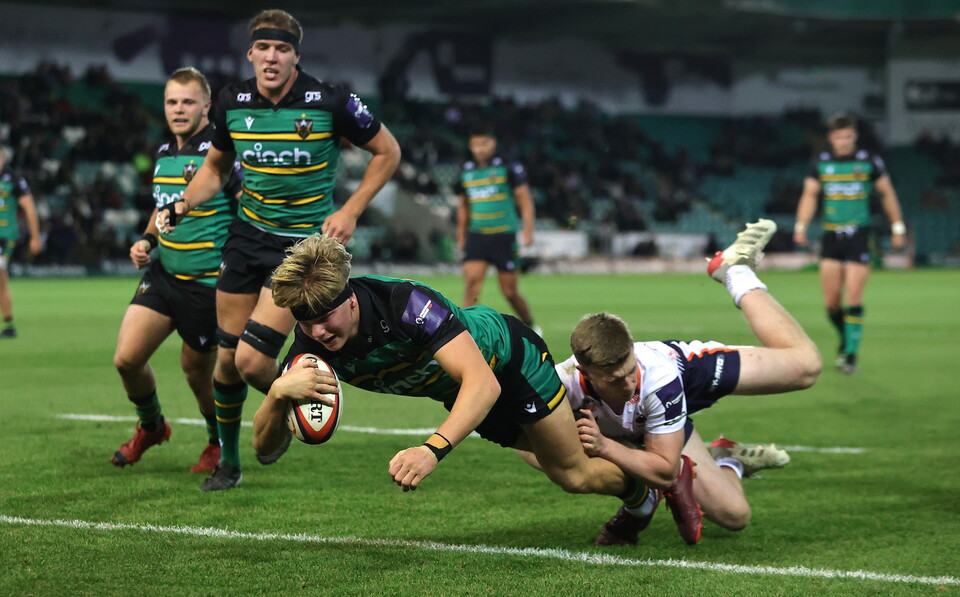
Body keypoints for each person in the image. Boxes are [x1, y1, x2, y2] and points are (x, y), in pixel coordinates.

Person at [156, 9, 401, 491]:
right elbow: (215, 169)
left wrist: (350, 210)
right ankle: (230, 463)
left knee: (250, 362)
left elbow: (388, 151)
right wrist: (183, 202)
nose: (272, 57)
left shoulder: (330, 100)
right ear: (251, 53)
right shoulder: (232, 101)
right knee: (227, 361)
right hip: (246, 240)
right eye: (264, 48)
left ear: (296, 57)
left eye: (282, 49)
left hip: (300, 250)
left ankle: (300, 399)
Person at [252, 234, 658, 524]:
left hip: (510, 361)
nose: (318, 331)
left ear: (351, 300)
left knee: (571, 474)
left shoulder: (405, 306)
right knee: (545, 455)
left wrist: (431, 450)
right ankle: (635, 452)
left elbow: (483, 383)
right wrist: (276, 393)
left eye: (326, 318)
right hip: (462, 391)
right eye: (306, 322)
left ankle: (644, 492)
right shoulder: (310, 348)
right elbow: (265, 449)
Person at [546, 220, 822, 546]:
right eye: (615, 380)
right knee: (735, 515)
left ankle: (734, 271)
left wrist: (605, 447)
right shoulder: (560, 385)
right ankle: (728, 459)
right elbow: (525, 437)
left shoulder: (656, 377)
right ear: (586, 373)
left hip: (686, 375)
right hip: (641, 423)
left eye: (631, 370)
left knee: (806, 368)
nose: (629, 384)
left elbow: (664, 471)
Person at [111, 67, 241, 474]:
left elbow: (247, 206)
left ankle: (217, 442)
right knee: (127, 359)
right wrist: (147, 240)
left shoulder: (222, 152)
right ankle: (152, 426)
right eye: (171, 101)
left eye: (188, 102)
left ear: (207, 106)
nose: (178, 109)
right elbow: (162, 205)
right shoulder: (165, 151)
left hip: (206, 285)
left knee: (196, 372)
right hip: (164, 275)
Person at [794, 112, 906, 375]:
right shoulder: (821, 162)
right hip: (831, 236)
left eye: (848, 137)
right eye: (839, 137)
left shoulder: (868, 161)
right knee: (831, 304)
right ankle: (846, 338)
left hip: (859, 235)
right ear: (831, 138)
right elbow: (809, 195)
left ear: (854, 136)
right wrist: (800, 226)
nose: (844, 142)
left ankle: (851, 354)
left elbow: (886, 193)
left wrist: (897, 227)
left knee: (853, 296)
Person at [455, 125, 539, 333]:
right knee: (471, 285)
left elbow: (524, 200)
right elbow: (463, 206)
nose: (479, 149)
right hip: (477, 236)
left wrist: (528, 230)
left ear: (493, 143)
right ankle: (466, 333)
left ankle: (530, 325)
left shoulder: (509, 167)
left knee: (509, 292)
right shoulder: (466, 171)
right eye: (475, 144)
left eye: (483, 144)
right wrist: (461, 235)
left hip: (503, 236)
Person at [0, 146, 42, 338]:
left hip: (4, 236)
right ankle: (9, 324)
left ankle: (9, 324)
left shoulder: (14, 180)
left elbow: (29, 207)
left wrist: (35, 236)